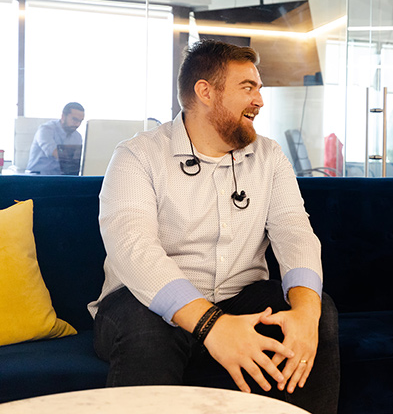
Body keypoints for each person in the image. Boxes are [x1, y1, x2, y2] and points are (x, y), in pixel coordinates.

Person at [88, 40, 339, 413]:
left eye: (259, 88)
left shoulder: (268, 156)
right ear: (205, 91)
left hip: (240, 298)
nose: (260, 100)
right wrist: (213, 326)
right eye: (247, 87)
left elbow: (294, 231)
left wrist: (306, 312)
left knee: (316, 311)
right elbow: (133, 249)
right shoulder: (136, 155)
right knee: (146, 334)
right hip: (142, 304)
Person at [27, 102, 85, 175]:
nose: (78, 124)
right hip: (38, 176)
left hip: (61, 177)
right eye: (74, 119)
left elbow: (75, 162)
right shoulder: (45, 129)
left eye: (80, 121)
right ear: (63, 117)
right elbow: (55, 153)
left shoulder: (77, 137)